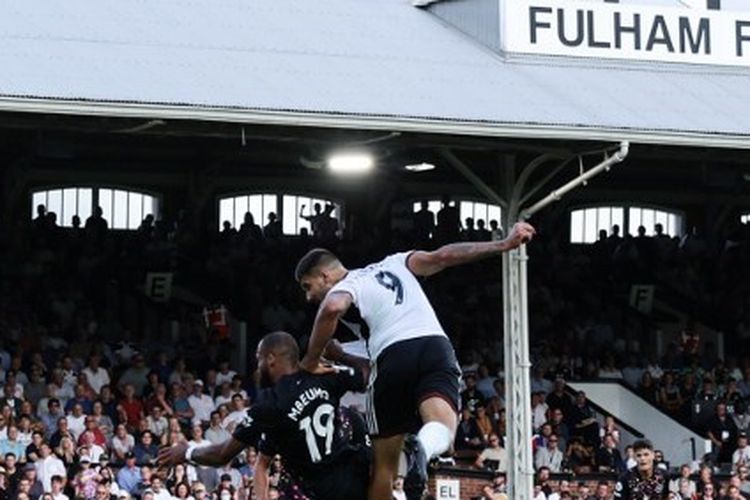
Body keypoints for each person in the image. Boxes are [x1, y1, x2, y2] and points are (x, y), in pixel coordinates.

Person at [294, 221, 535, 500]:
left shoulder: (350, 284)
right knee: (443, 428)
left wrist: (311, 360)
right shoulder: (396, 262)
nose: (309, 296)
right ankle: (422, 445)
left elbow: (333, 307)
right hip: (435, 347)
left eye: (307, 286)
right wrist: (503, 245)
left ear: (325, 276)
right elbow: (443, 256)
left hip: (393, 357)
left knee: (384, 467)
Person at [158, 331, 371, 500]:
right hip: (359, 477)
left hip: (326, 491)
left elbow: (222, 454)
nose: (257, 367)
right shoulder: (322, 374)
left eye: (258, 359)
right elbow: (368, 373)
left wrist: (187, 453)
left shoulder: (269, 406)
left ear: (270, 359)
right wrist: (340, 355)